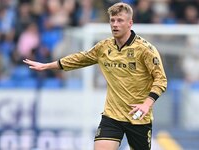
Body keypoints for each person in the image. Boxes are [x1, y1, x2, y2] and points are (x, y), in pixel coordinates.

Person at [23, 2, 167, 150]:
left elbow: (161, 80)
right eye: (112, 20)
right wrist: (47, 65)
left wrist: (146, 104)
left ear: (130, 23)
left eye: (120, 20)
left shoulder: (145, 49)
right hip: (112, 116)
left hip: (138, 117)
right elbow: (80, 58)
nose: (115, 25)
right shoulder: (104, 47)